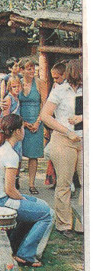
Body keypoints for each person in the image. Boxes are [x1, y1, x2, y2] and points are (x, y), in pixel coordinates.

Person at [0, 114, 54, 267]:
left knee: (38, 205)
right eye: (22, 128)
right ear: (18, 131)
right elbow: (10, 190)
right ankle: (26, 254)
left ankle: (16, 247)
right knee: (46, 213)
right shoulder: (10, 155)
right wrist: (23, 200)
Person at [40, 59, 83, 237]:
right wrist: (66, 130)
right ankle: (64, 224)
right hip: (64, 139)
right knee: (64, 183)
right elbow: (45, 116)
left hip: (85, 139)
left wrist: (82, 119)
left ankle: (82, 224)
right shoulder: (59, 90)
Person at [18, 56, 45, 194]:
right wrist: (22, 122)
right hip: (21, 122)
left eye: (33, 68)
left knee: (33, 155)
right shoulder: (18, 83)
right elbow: (15, 104)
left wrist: (38, 122)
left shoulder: (39, 83)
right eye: (29, 69)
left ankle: (31, 184)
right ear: (21, 70)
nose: (32, 71)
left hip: (36, 121)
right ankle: (15, 180)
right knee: (17, 152)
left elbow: (44, 104)